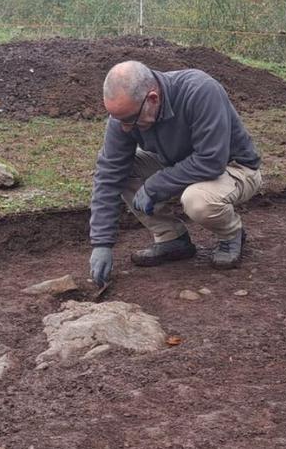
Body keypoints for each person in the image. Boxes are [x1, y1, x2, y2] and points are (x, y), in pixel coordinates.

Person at [88, 60, 264, 287]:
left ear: (153, 99)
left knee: (197, 199)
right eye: (118, 120)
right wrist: (101, 244)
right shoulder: (127, 114)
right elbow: (109, 174)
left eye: (129, 120)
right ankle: (172, 239)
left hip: (234, 167)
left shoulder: (200, 91)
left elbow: (211, 160)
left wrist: (155, 185)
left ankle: (231, 234)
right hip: (181, 165)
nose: (124, 128)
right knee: (123, 170)